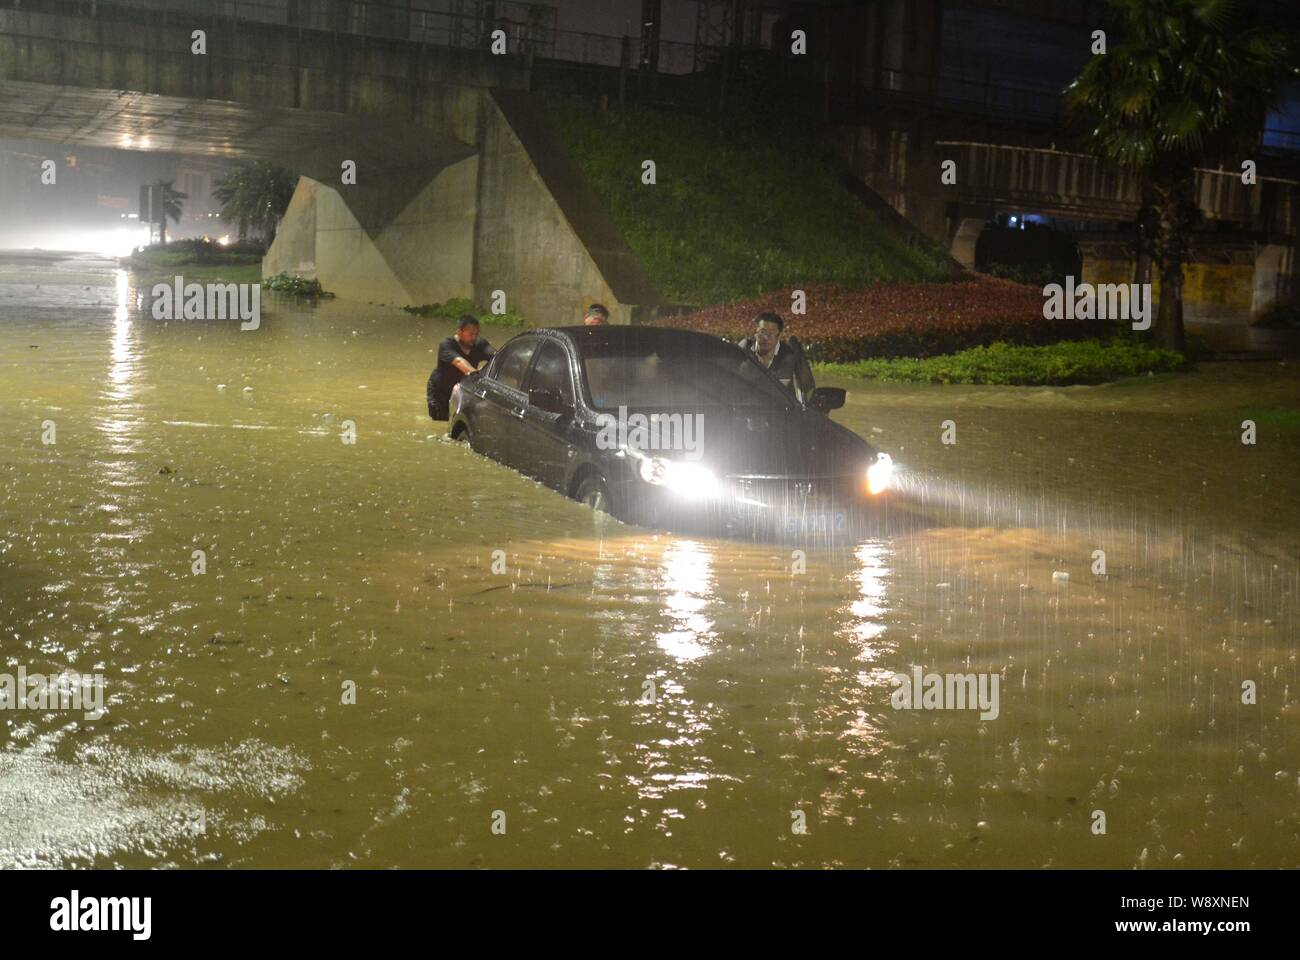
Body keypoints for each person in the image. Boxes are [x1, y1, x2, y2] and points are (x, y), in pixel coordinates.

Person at [427, 315, 495, 421]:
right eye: (471, 334)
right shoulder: (447, 345)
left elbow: (496, 358)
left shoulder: (480, 344)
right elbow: (459, 362)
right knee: (441, 422)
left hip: (463, 389)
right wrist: (479, 375)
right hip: (441, 391)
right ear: (459, 332)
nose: (474, 337)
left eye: (476, 334)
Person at [737, 312, 815, 401]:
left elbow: (776, 392)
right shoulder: (744, 348)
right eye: (762, 332)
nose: (766, 337)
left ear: (779, 335)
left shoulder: (787, 355)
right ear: (755, 332)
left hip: (781, 408)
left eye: (772, 333)